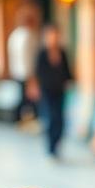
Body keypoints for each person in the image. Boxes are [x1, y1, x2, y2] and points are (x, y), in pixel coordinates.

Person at [31, 24, 72, 158]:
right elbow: (37, 72)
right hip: (46, 91)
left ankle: (56, 143)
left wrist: (69, 81)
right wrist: (35, 87)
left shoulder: (62, 52)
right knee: (51, 117)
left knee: (60, 118)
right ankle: (50, 147)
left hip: (60, 90)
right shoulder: (42, 54)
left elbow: (67, 71)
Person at [7, 5, 39, 123]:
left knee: (22, 97)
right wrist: (31, 77)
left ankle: (17, 118)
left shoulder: (15, 35)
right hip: (26, 73)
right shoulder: (28, 35)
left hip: (17, 72)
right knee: (29, 98)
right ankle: (19, 118)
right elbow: (28, 58)